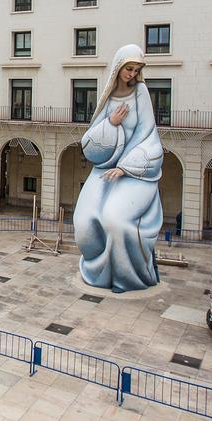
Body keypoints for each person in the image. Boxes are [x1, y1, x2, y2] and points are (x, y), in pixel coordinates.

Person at [73, 44, 164, 293]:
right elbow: (89, 141)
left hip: (135, 171)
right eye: (128, 68)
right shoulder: (108, 98)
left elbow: (148, 136)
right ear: (119, 68)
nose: (132, 74)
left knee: (116, 220)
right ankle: (98, 272)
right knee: (84, 222)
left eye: (136, 70)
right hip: (104, 168)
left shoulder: (141, 93)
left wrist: (125, 168)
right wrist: (111, 124)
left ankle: (126, 278)